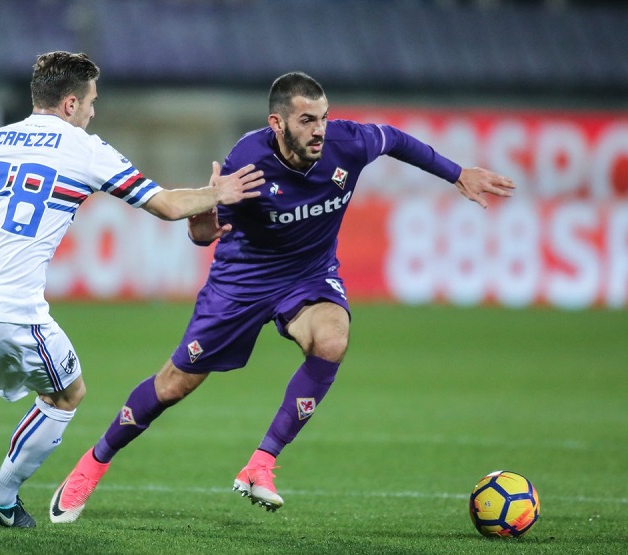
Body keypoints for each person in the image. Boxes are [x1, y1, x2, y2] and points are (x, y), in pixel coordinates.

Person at [48, 70, 515, 523]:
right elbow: (205, 233)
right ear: (278, 124)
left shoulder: (348, 144)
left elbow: (394, 138)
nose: (319, 130)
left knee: (332, 339)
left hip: (308, 275)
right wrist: (203, 220)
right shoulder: (247, 161)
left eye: (323, 117)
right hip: (242, 282)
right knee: (174, 385)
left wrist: (456, 174)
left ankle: (261, 463)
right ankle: (92, 464)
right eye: (307, 121)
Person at [0, 51, 263, 528]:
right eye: (92, 102)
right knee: (68, 393)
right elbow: (163, 205)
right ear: (71, 103)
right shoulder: (83, 149)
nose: (94, 112)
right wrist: (216, 194)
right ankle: (1, 495)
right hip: (11, 307)